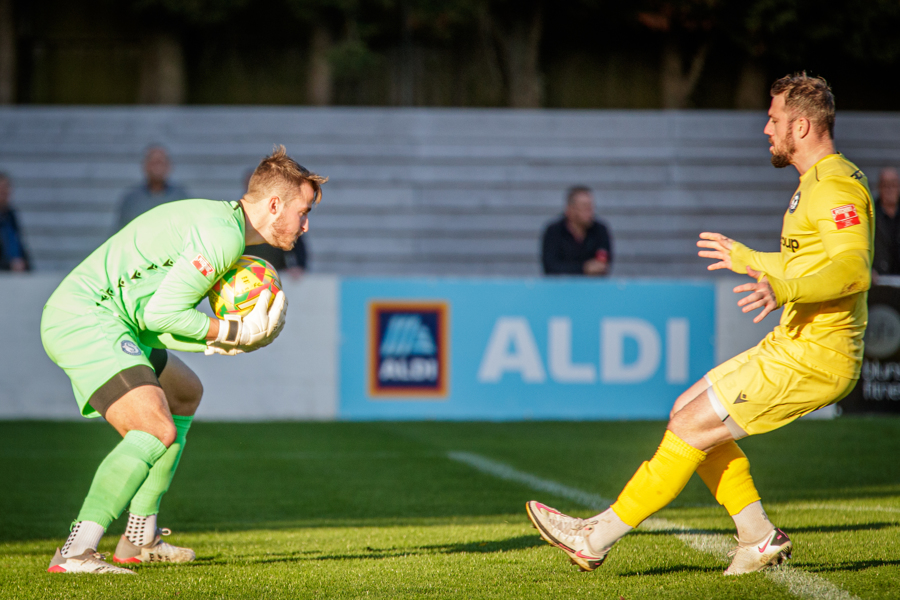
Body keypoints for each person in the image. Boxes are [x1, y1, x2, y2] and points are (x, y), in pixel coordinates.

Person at [526, 73, 873, 576]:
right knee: (685, 411)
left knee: (691, 427)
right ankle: (757, 536)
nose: (765, 129)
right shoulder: (817, 183)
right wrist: (750, 258)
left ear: (800, 125)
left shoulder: (835, 185)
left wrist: (784, 289)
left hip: (819, 355)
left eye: (773, 119)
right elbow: (810, 263)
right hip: (794, 343)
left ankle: (594, 537)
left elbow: (853, 270)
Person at [42, 146, 326, 574]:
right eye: (303, 211)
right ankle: (76, 551)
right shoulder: (223, 237)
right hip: (86, 318)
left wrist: (224, 342)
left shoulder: (223, 225)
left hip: (120, 321)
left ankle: (139, 539)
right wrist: (233, 333)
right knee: (155, 427)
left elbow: (154, 315)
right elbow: (161, 315)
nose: (305, 225)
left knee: (185, 393)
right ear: (274, 205)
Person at [240, 169, 307, 279]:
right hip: (245, 272)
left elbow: (297, 241)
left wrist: (299, 265)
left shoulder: (279, 211)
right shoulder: (240, 212)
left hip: (275, 272)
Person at [113, 145, 190, 233]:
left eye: (160, 162)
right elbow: (120, 233)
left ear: (168, 166)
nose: (157, 167)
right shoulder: (131, 200)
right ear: (145, 166)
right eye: (153, 162)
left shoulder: (180, 197)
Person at [541, 186, 613, 276]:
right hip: (562, 288)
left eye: (591, 206)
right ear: (570, 209)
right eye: (584, 206)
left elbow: (603, 264)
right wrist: (584, 268)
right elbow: (550, 268)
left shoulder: (600, 230)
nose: (590, 211)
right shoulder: (554, 231)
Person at [873, 167, 900, 275]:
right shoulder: (870, 214)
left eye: (893, 185)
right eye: (885, 185)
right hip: (879, 279)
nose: (890, 190)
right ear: (879, 187)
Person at [0, 172, 30, 272]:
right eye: (1, 188)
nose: (4, 192)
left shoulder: (11, 215)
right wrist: (8, 265)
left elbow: (18, 243)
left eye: (6, 188)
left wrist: (26, 264)